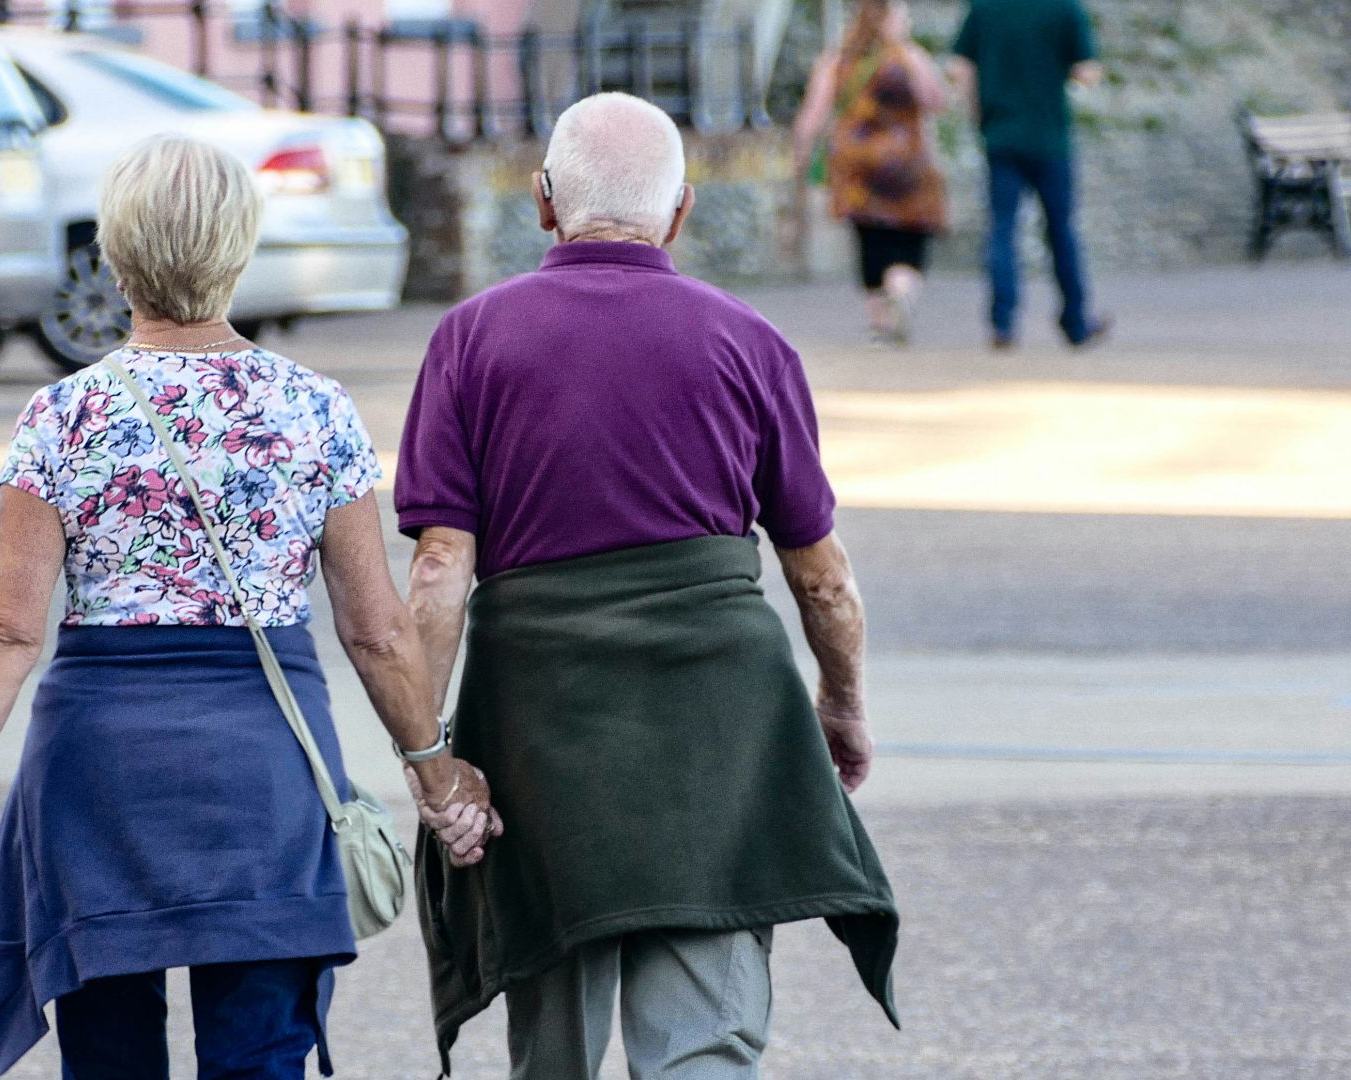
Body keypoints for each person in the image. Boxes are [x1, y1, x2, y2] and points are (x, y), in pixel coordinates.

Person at [0, 135, 497, 1080]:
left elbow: (8, 630)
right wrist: (432, 769)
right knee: (259, 1054)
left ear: (118, 256)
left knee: (110, 1055)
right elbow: (376, 631)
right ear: (240, 249)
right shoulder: (315, 411)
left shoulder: (63, 416)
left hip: (97, 781)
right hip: (265, 772)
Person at [396, 92, 901, 1080]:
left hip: (543, 728)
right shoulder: (750, 343)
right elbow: (823, 578)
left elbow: (438, 573)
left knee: (555, 1048)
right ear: (681, 212)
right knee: (704, 1045)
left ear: (543, 203)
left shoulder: (469, 342)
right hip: (717, 727)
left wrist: (430, 754)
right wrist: (839, 704)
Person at [950, 0, 1113, 349]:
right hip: (1049, 138)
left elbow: (961, 68)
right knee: (1060, 230)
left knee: (1003, 228)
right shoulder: (1063, 9)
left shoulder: (985, 8)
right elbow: (1087, 71)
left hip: (1001, 136)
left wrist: (979, 113)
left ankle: (1002, 322)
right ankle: (1076, 321)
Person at [793, 0, 950, 346]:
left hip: (857, 165)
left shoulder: (838, 59)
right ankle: (902, 288)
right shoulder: (909, 57)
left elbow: (813, 113)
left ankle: (879, 322)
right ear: (889, 21)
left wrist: (802, 154)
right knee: (911, 235)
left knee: (869, 237)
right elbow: (937, 99)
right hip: (908, 161)